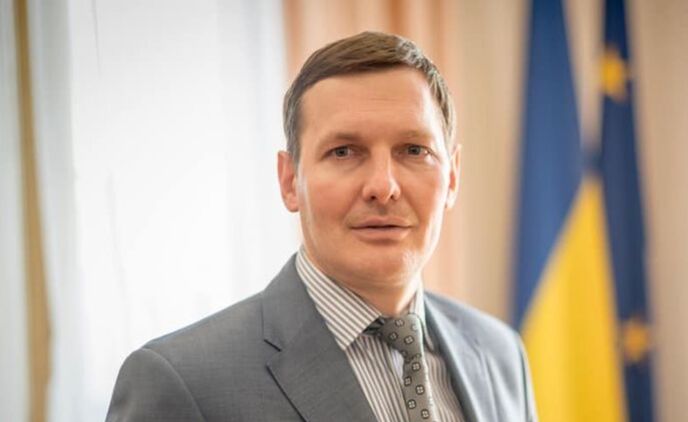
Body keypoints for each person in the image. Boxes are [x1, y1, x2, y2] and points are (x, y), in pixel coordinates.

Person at [106, 31, 537, 422]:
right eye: (344, 151)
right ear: (289, 181)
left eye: (413, 150)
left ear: (453, 177)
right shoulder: (182, 382)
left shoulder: (499, 354)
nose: (383, 187)